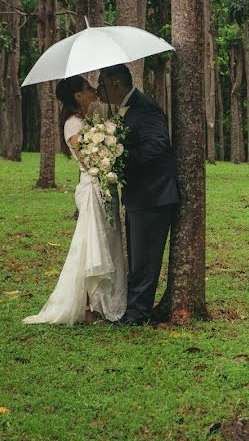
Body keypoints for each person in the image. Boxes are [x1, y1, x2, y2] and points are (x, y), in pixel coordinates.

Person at [23, 76, 127, 325]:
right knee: (94, 243)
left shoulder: (86, 121)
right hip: (92, 189)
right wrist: (107, 155)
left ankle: (103, 302)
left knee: (107, 240)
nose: (93, 91)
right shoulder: (73, 124)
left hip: (104, 187)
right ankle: (91, 305)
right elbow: (87, 160)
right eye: (88, 88)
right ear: (78, 96)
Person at [96, 64, 180, 325]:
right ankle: (133, 308)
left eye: (102, 84)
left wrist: (119, 159)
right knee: (136, 255)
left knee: (145, 257)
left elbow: (157, 146)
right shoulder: (124, 109)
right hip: (139, 196)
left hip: (154, 195)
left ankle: (138, 313)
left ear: (117, 84)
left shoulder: (147, 108)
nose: (99, 89)